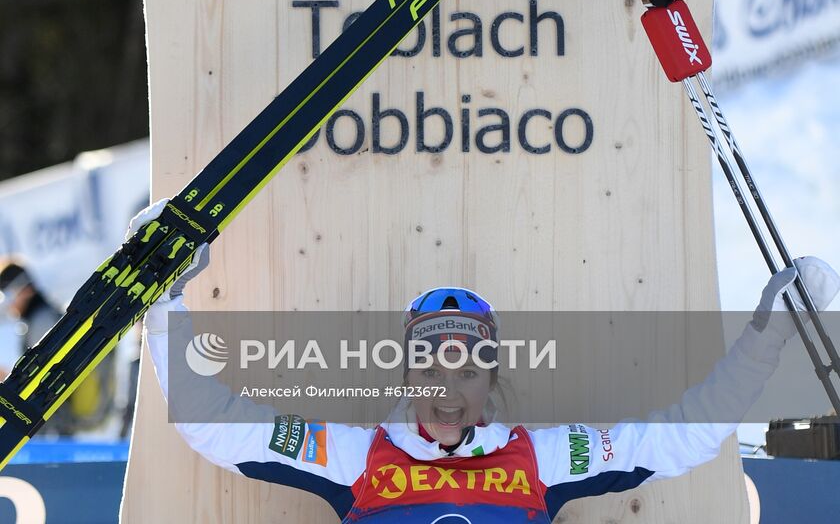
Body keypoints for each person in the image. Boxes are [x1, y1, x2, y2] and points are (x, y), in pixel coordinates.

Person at [135, 201, 839, 520]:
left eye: (467, 369)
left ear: (492, 376)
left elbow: (687, 433)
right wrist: (164, 304)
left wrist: (766, 333)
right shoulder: (352, 457)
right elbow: (209, 421)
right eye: (432, 367)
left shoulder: (545, 457)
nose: (448, 390)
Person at [0, 256, 117, 434]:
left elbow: (43, 378)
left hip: (63, 423)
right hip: (70, 421)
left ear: (25, 290)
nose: (7, 305)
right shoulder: (42, 318)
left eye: (7, 295)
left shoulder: (42, 321)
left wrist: (9, 383)